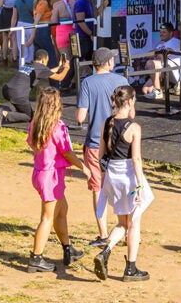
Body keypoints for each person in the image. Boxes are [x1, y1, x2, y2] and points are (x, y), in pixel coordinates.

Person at [26, 87, 90, 273]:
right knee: (47, 217)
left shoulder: (35, 124)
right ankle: (36, 257)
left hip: (41, 173)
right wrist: (83, 167)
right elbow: (67, 152)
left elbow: (31, 143)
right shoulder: (57, 126)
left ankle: (68, 248)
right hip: (51, 177)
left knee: (61, 210)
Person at [92, 84, 153, 282]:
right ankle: (130, 268)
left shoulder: (106, 123)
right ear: (130, 101)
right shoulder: (134, 127)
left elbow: (101, 155)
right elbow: (136, 159)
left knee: (121, 223)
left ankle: (106, 250)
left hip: (112, 175)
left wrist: (104, 179)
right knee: (134, 223)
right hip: (129, 177)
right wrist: (140, 186)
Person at [75, 47, 128, 246]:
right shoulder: (121, 81)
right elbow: (131, 113)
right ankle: (127, 230)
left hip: (95, 143)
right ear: (109, 62)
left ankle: (104, 233)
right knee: (123, 186)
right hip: (119, 142)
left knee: (97, 187)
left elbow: (80, 117)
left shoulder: (87, 83)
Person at [0, 50, 68, 127]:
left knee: (23, 109)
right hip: (17, 94)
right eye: (47, 61)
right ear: (44, 59)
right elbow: (59, 78)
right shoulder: (41, 67)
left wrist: (59, 67)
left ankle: (18, 111)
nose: (46, 64)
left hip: (7, 89)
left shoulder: (29, 65)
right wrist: (67, 68)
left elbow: (48, 72)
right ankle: (3, 113)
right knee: (29, 116)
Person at [146, 22, 181, 98]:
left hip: (174, 71)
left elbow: (163, 56)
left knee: (150, 63)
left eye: (164, 32)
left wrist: (156, 52)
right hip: (163, 70)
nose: (161, 34)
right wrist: (157, 50)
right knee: (146, 90)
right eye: (160, 32)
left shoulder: (175, 41)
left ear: (171, 33)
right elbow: (147, 55)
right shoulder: (160, 44)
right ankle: (162, 87)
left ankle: (158, 91)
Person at [72, 0, 97, 67]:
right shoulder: (80, 2)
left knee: (92, 60)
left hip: (87, 37)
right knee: (75, 62)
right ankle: (67, 76)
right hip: (82, 37)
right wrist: (90, 34)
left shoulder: (88, 1)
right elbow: (80, 21)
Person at [12, 0, 36, 64]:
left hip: (20, 25)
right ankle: (30, 63)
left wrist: (12, 29)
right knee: (31, 46)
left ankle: (22, 65)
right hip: (31, 25)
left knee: (21, 46)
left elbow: (14, 18)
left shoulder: (17, 2)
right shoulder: (34, 1)